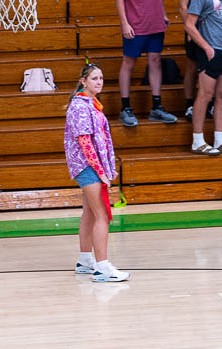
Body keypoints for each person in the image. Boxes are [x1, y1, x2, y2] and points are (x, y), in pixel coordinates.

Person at [64, 64, 130, 282]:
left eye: (101, 78)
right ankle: (102, 267)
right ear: (83, 81)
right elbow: (84, 141)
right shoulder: (80, 106)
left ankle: (85, 261)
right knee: (103, 215)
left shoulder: (91, 104)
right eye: (94, 78)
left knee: (90, 213)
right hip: (87, 166)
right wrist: (101, 172)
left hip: (90, 166)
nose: (99, 82)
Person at [186, 0, 222, 155]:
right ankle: (197, 141)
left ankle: (219, 138)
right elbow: (189, 24)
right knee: (205, 94)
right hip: (210, 49)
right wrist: (206, 47)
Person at [115, 0, 179, 127]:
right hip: (135, 23)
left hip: (155, 22)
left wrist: (163, 14)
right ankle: (126, 108)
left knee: (155, 61)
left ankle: (156, 106)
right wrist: (124, 23)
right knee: (129, 62)